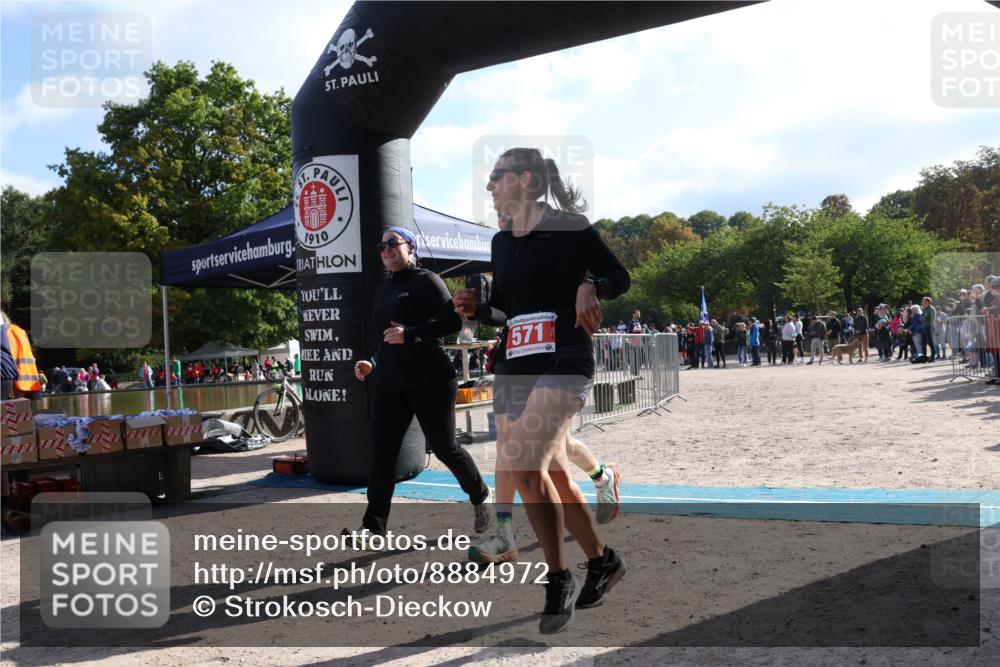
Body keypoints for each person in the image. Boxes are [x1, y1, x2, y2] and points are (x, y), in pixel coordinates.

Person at [453, 147, 629, 633]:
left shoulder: (573, 228)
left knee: (527, 464)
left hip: (565, 358)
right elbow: (506, 311)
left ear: (525, 179)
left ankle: (557, 577)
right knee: (548, 469)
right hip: (515, 364)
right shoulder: (501, 243)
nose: (488, 186)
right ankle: (604, 558)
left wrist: (591, 284)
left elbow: (620, 276)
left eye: (495, 176)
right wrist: (477, 309)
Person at [349, 226, 494, 542]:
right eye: (382, 245)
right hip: (391, 383)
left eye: (393, 243)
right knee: (382, 452)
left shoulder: (426, 280)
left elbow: (453, 322)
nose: (386, 249)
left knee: (445, 448)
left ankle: (481, 496)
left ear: (410, 248)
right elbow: (384, 340)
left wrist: (411, 334)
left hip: (431, 380)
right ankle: (374, 526)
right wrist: (371, 363)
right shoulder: (382, 289)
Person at [2, 312, 43, 400]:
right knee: (25, 410)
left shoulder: (7, 333)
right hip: (29, 380)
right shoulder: (19, 331)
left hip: (16, 384)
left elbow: (9, 358)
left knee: (16, 409)